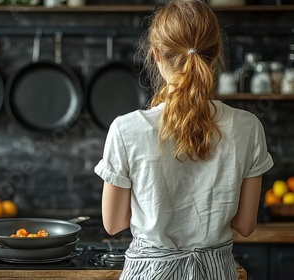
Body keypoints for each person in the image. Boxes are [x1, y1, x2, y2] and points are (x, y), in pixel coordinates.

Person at [94, 0, 274, 279]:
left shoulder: (126, 129)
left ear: (155, 54)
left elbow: (114, 223)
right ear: (214, 55)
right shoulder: (248, 127)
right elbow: (246, 225)